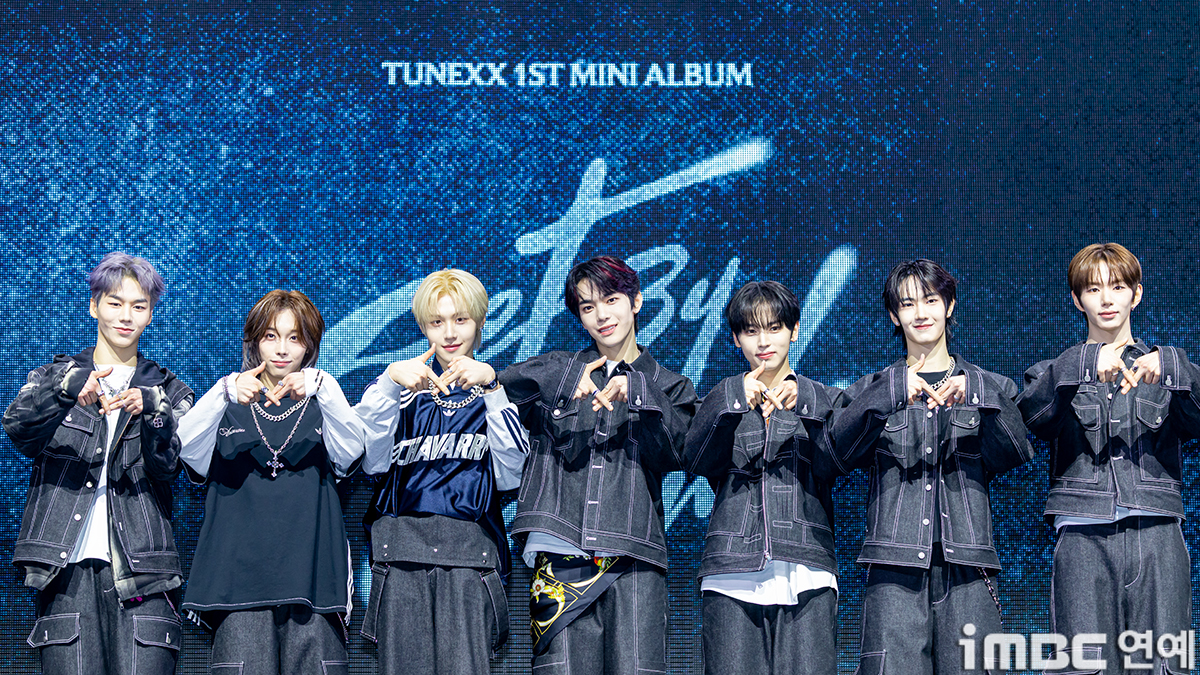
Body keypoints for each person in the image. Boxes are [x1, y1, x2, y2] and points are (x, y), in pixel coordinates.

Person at [830, 259, 1033, 675]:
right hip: (894, 569)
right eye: (907, 304)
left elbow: (1016, 451)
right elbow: (836, 453)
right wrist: (889, 394)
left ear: (949, 306)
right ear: (894, 315)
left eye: (930, 300)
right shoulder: (870, 390)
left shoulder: (992, 386)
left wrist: (977, 395)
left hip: (969, 568)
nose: (920, 313)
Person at [498, 255, 697, 675]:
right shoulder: (556, 371)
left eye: (611, 300)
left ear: (636, 301)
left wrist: (639, 392)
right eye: (588, 307)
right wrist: (565, 381)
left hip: (633, 555)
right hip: (560, 555)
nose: (602, 315)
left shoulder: (670, 386)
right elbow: (498, 388)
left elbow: (685, 451)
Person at [3, 252, 193, 674]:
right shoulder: (54, 376)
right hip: (64, 572)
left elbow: (169, 467)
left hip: (145, 575)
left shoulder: (169, 392)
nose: (126, 316)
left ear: (150, 314)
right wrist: (66, 389)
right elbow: (18, 429)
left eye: (138, 306)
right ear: (94, 306)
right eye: (115, 303)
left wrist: (154, 411)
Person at [1017, 243, 1200, 674]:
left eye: (1117, 287)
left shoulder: (1165, 369)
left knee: (1164, 663)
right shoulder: (1054, 371)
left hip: (1157, 532)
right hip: (1083, 536)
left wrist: (1172, 368)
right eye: (1093, 289)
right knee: (1083, 664)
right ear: (1077, 299)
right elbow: (1033, 417)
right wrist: (1083, 363)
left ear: (1136, 294)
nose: (1106, 299)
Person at [177, 289, 363, 674]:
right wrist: (223, 391)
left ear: (310, 346)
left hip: (314, 589)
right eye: (270, 336)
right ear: (254, 341)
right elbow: (185, 449)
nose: (281, 349)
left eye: (295, 338)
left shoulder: (325, 406)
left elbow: (351, 452)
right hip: (236, 589)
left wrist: (325, 387)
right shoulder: (226, 406)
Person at [354, 269, 528, 674]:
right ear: (423, 327)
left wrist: (493, 389)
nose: (449, 333)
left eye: (460, 319)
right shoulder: (399, 394)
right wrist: (388, 383)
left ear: (480, 321)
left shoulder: (497, 394)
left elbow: (513, 474)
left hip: (472, 557)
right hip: (400, 555)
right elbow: (369, 461)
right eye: (437, 322)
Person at [684, 280, 840, 675]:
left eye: (774, 328)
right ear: (736, 339)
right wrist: (734, 400)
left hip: (806, 571)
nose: (763, 341)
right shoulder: (719, 402)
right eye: (751, 331)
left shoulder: (825, 401)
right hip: (731, 576)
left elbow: (837, 463)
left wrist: (806, 403)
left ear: (794, 329)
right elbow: (696, 460)